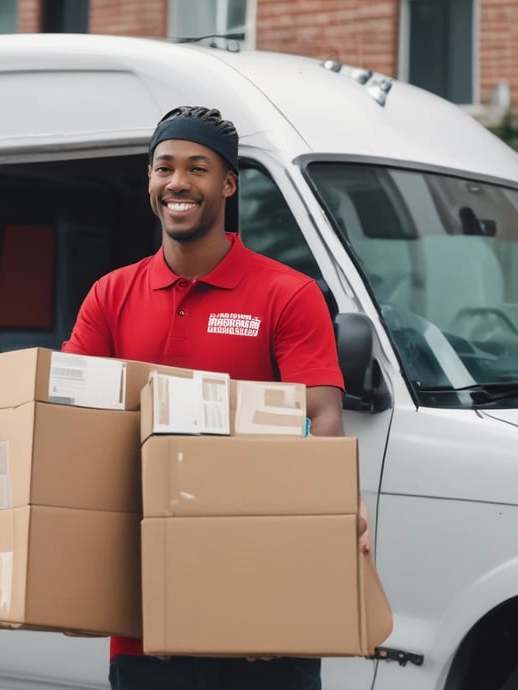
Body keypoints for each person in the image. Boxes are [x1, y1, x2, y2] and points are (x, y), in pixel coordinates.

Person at [62, 105, 370, 690]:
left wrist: (330, 521)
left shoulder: (287, 294)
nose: (177, 182)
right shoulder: (111, 295)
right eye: (163, 168)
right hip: (147, 610)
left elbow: (322, 420)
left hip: (263, 590)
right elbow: (68, 418)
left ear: (228, 183)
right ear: (150, 182)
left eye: (197, 168)